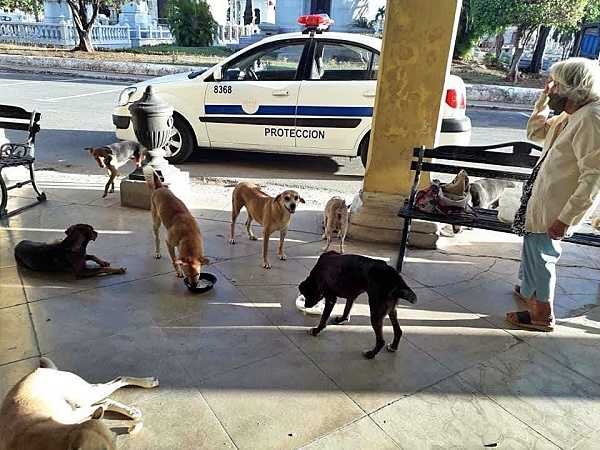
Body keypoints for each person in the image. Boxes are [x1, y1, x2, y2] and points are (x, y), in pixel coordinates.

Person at [507, 58, 600, 332]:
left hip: (556, 207)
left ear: (573, 87)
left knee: (542, 256)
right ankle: (530, 293)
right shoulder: (571, 114)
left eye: (555, 84)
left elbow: (594, 176)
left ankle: (542, 314)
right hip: (542, 200)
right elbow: (535, 131)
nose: (550, 88)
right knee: (533, 251)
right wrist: (542, 102)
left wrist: (567, 218)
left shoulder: (591, 119)